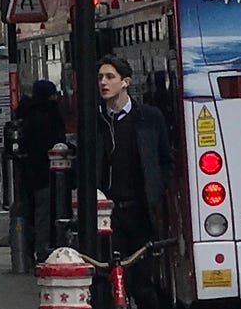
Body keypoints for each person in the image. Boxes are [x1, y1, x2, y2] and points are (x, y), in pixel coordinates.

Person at [97, 59, 173, 309]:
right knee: (111, 281)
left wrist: (157, 187)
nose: (103, 82)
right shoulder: (97, 121)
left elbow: (165, 159)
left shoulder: (149, 118)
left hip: (139, 210)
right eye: (100, 77)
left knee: (142, 283)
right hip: (108, 213)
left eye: (110, 77)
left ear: (125, 82)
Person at [12, 82, 66, 263]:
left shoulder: (27, 113)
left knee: (30, 211)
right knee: (44, 212)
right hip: (45, 171)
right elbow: (52, 141)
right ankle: (43, 249)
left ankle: (28, 250)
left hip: (28, 171)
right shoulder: (48, 115)